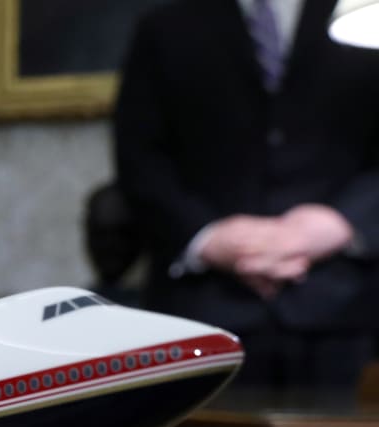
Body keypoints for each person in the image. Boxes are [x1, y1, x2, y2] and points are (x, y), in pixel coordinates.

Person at [114, 0, 379, 391]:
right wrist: (209, 237)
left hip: (346, 308)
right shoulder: (165, 25)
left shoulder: (363, 12)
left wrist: (340, 222)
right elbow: (140, 156)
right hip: (201, 311)